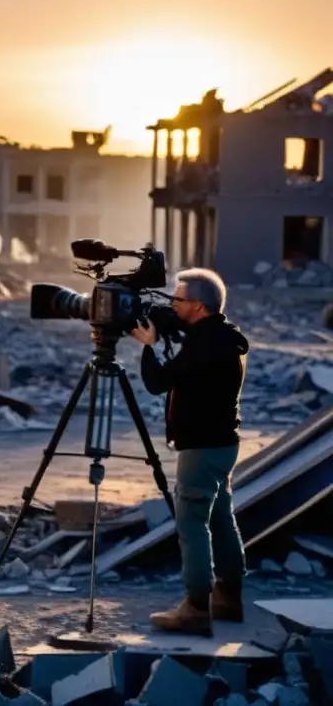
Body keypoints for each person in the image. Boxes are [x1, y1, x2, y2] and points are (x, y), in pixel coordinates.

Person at [131, 268, 249, 638]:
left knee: (191, 523)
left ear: (198, 306)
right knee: (219, 517)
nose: (172, 304)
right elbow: (187, 347)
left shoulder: (205, 347)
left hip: (202, 447)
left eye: (178, 299)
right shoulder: (221, 337)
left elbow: (158, 382)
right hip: (221, 444)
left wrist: (148, 345)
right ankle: (228, 596)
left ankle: (196, 608)